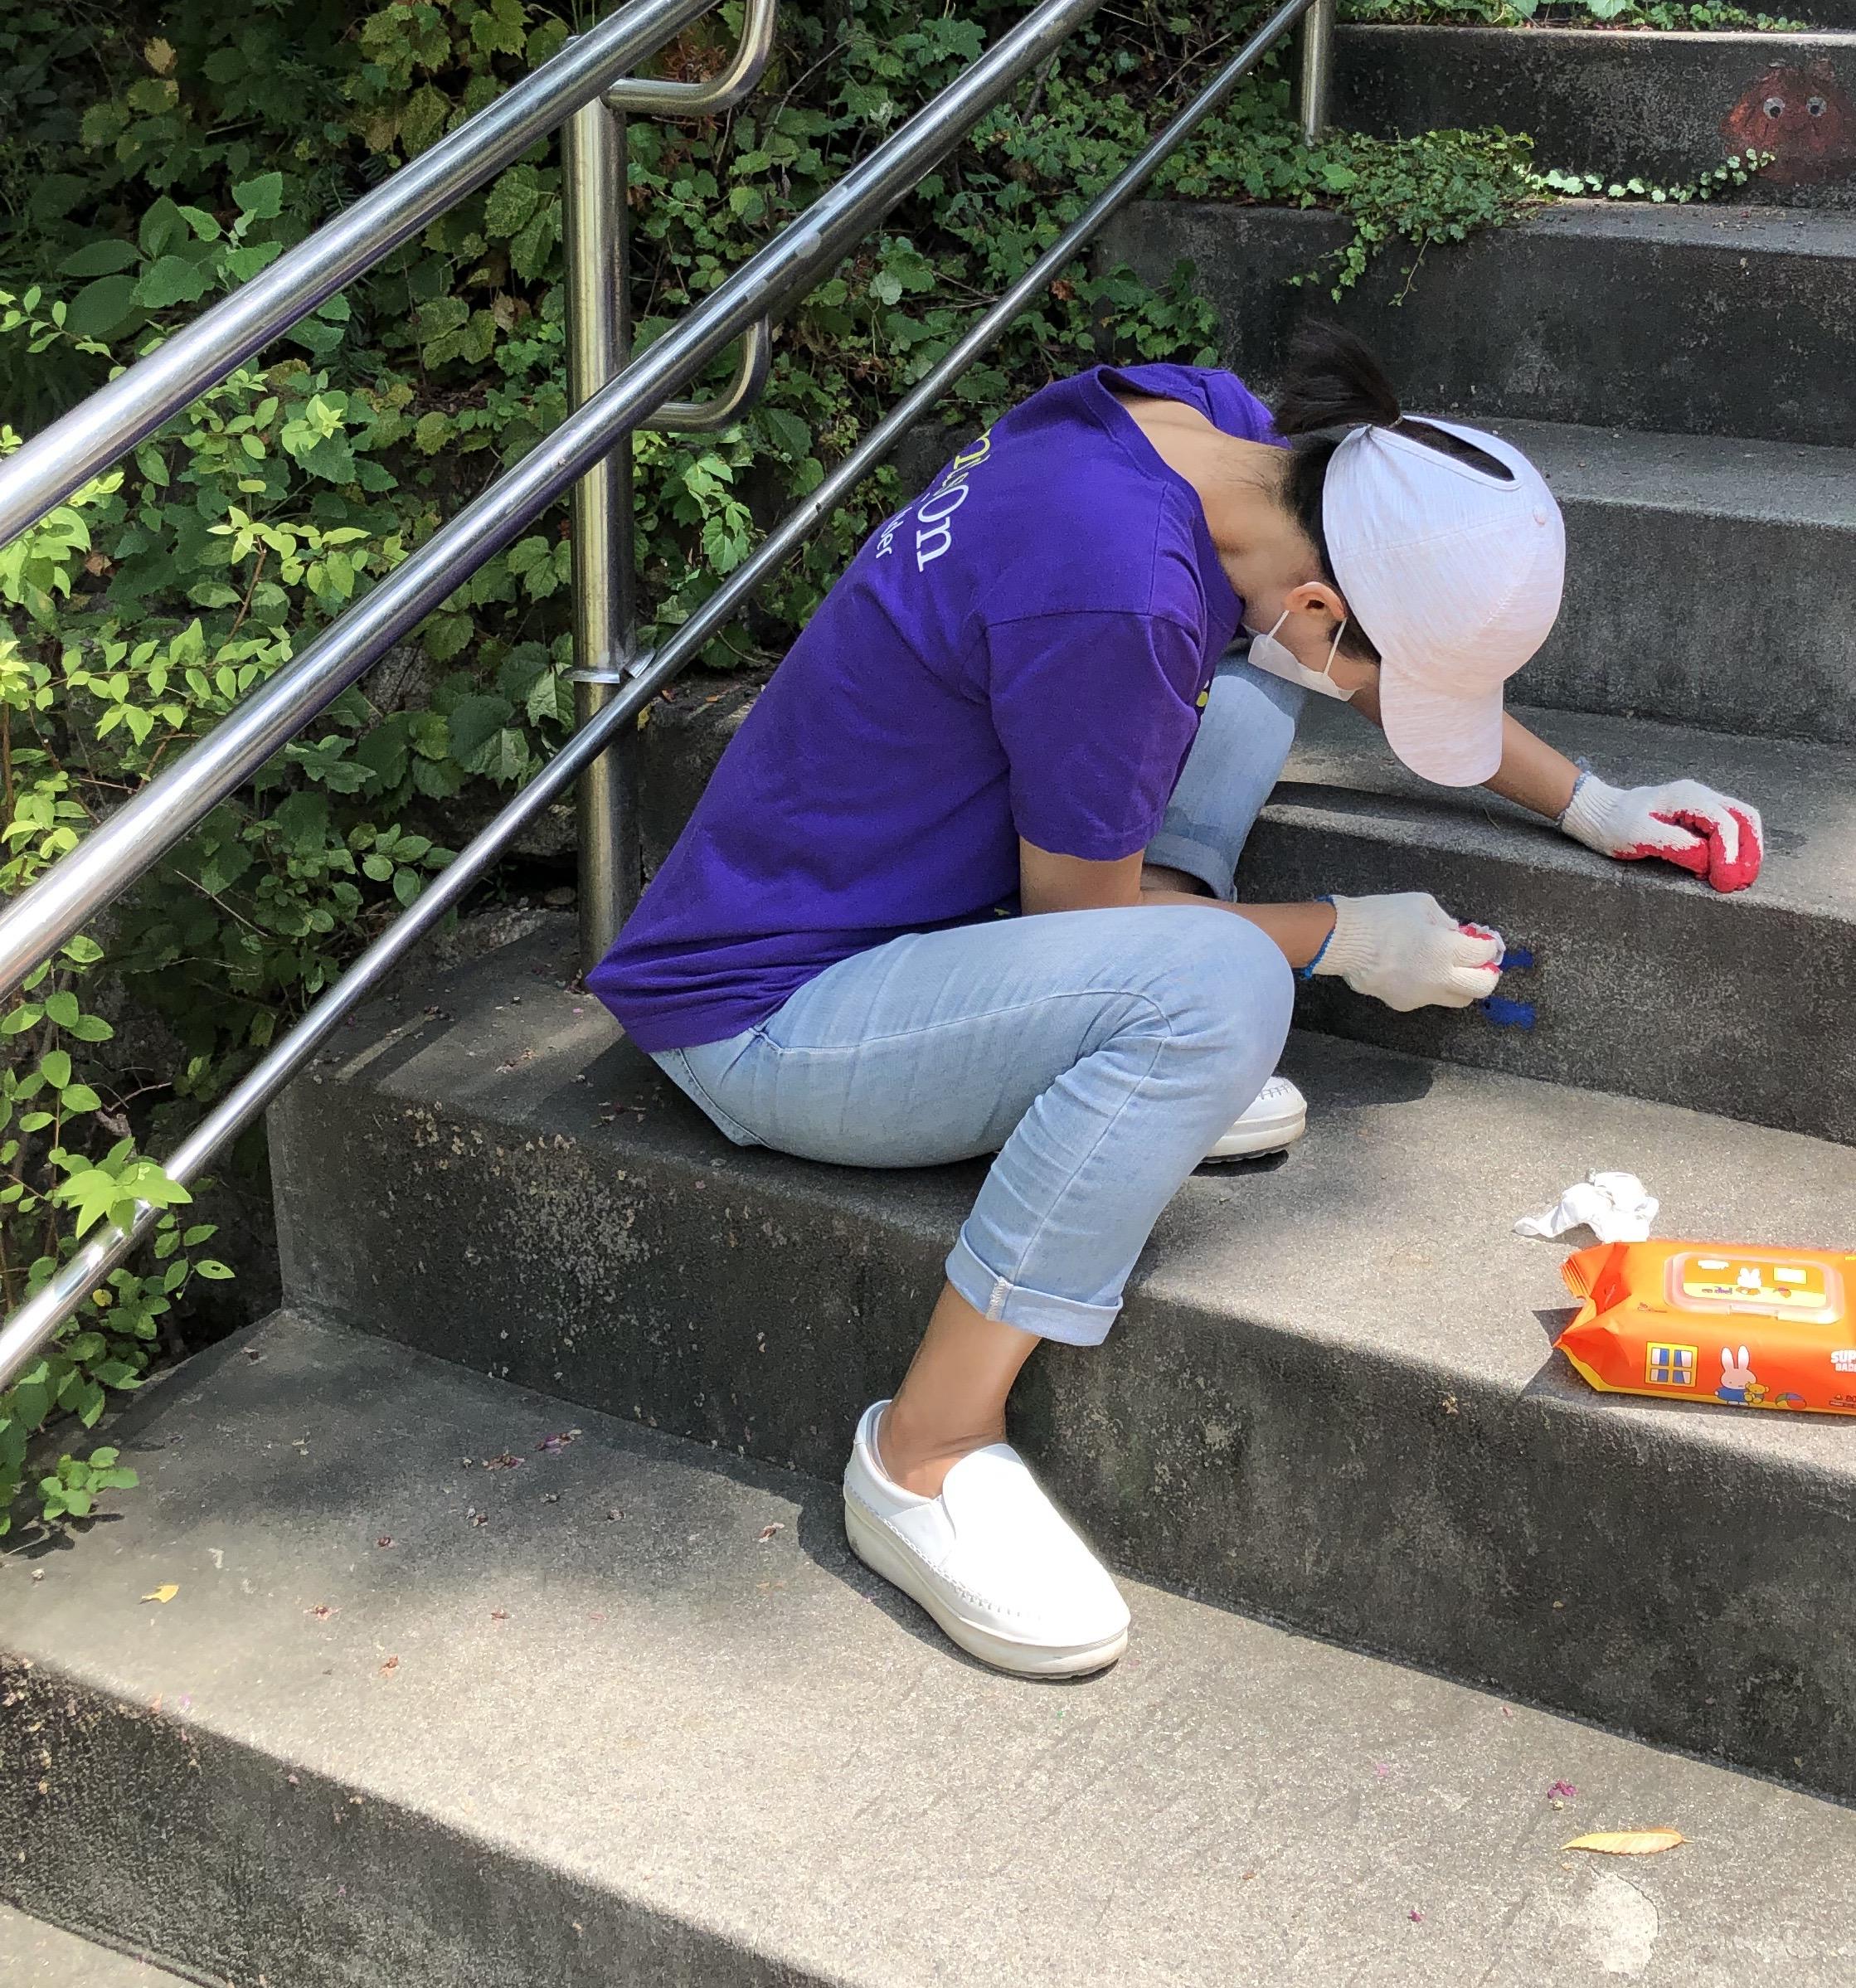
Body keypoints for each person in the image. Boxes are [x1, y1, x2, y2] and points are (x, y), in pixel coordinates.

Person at [588, 324, 1762, 1681]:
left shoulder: (1198, 428)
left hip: (892, 901)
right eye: (1380, 674)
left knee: (1246, 706)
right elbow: (1076, 918)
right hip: (773, 1012)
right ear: (1323, 609)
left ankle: (1135, 1047)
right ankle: (925, 1453)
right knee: (1220, 991)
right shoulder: (1123, 599)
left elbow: (1297, 648)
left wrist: (1593, 802)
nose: (1373, 701)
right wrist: (1342, 938)